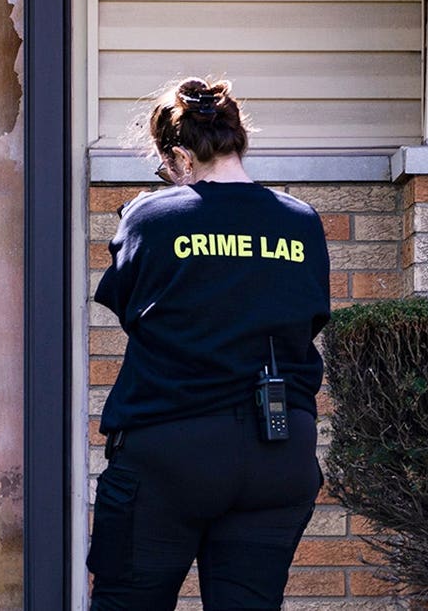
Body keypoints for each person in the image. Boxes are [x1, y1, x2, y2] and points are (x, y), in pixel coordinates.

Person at [88, 78, 330, 610]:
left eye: (166, 168)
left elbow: (132, 310)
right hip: (279, 450)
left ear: (180, 155)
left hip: (173, 447)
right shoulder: (302, 223)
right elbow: (307, 319)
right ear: (237, 141)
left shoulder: (151, 218)